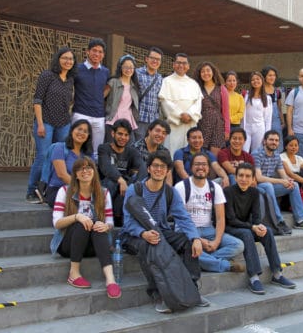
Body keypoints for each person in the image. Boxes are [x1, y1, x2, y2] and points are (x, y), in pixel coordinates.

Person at [120, 150, 210, 313]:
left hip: (160, 230)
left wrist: (195, 238)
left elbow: (183, 217)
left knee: (187, 241)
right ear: (148, 168)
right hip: (134, 235)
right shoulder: (136, 189)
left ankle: (191, 289)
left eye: (163, 167)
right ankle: (158, 294)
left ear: (168, 170)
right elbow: (127, 222)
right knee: (148, 245)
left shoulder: (170, 192)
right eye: (155, 166)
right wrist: (143, 233)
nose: (158, 169)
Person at [50, 157, 121, 299]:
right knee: (82, 223)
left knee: (98, 226)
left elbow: (110, 222)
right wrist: (77, 217)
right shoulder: (65, 191)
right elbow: (57, 223)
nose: (85, 171)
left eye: (89, 167)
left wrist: (105, 225)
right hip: (68, 245)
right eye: (80, 168)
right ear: (75, 174)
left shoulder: (104, 193)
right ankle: (74, 273)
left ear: (94, 171)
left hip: (92, 246)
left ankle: (110, 279)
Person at [224, 162, 296, 295]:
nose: (244, 179)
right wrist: (253, 227)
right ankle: (254, 277)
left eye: (247, 176)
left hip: (247, 226)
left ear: (253, 179)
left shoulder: (254, 192)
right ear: (236, 176)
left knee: (267, 231)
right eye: (241, 176)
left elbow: (256, 216)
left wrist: (259, 226)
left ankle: (277, 273)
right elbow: (231, 220)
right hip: (230, 227)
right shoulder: (228, 192)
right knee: (247, 234)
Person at [174, 153, 245, 273]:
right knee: (189, 245)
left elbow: (220, 218)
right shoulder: (181, 187)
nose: (200, 167)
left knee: (238, 245)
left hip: (209, 230)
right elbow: (180, 219)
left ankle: (202, 260)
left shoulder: (215, 187)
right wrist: (198, 240)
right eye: (197, 164)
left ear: (209, 168)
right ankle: (224, 265)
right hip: (187, 230)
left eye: (204, 164)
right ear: (191, 167)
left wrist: (216, 241)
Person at [26, 47, 77, 203]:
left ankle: (48, 190)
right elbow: (37, 100)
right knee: (43, 156)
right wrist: (40, 124)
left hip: (63, 124)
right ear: (58, 59)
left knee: (59, 157)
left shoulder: (70, 80)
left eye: (71, 59)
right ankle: (31, 191)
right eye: (64, 58)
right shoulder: (47, 76)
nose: (68, 61)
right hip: (46, 122)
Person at [253, 130, 303, 232]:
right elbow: (259, 178)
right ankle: (279, 221)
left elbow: (283, 174)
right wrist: (281, 181)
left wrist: (288, 181)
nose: (274, 142)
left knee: (294, 185)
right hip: (257, 186)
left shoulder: (276, 155)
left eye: (276, 140)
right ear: (264, 141)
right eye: (271, 140)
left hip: (270, 185)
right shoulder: (257, 154)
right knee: (268, 185)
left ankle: (300, 220)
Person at [98, 119, 144, 227]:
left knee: (134, 182)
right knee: (111, 182)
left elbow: (142, 167)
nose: (123, 137)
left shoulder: (132, 151)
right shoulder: (104, 148)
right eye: (120, 134)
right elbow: (106, 168)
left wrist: (132, 186)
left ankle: (120, 217)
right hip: (107, 188)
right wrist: (121, 180)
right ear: (113, 133)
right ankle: (103, 216)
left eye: (126, 135)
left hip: (123, 191)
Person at [72, 38, 110, 159]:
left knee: (96, 152)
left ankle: (91, 177)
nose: (97, 54)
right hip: (80, 114)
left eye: (100, 52)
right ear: (87, 52)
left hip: (99, 116)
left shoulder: (105, 72)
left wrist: (99, 97)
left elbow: (108, 88)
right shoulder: (77, 69)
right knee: (77, 147)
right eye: (94, 50)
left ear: (103, 55)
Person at [159, 53, 202, 157]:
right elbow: (164, 101)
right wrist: (179, 115)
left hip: (189, 124)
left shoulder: (193, 83)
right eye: (178, 63)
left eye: (184, 63)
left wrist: (190, 115)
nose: (181, 65)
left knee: (190, 154)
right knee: (172, 152)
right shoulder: (166, 81)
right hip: (174, 125)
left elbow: (198, 102)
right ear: (174, 65)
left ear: (188, 66)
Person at [44, 119, 94, 208]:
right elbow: (62, 175)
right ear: (72, 131)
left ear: (88, 136)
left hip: (82, 191)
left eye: (85, 131)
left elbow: (91, 176)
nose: (81, 133)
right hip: (58, 190)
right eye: (79, 129)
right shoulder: (60, 148)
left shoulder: (88, 154)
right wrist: (81, 189)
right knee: (78, 205)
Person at [193, 61, 230, 156]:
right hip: (202, 123)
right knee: (201, 154)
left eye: (208, 70)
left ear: (213, 72)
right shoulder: (197, 88)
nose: (206, 73)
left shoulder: (222, 88)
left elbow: (226, 112)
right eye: (203, 71)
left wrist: (227, 130)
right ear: (199, 74)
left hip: (218, 125)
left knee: (214, 156)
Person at [104, 54, 139, 143]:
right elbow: (101, 97)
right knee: (112, 148)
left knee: (129, 149)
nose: (128, 70)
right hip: (113, 120)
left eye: (131, 67)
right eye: (125, 67)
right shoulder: (113, 82)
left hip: (128, 121)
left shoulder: (134, 86)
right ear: (120, 68)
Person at [134, 47, 164, 141]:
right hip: (139, 119)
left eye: (158, 59)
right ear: (147, 59)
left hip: (153, 121)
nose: (155, 61)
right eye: (152, 58)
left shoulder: (160, 78)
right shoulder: (136, 73)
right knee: (138, 147)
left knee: (151, 148)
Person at [132, 118, 173, 185]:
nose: (160, 135)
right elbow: (134, 172)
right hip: (138, 185)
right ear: (149, 131)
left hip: (159, 185)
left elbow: (168, 174)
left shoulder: (165, 151)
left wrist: (168, 192)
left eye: (164, 133)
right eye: (157, 131)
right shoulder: (136, 148)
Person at [242, 71, 272, 153]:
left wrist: (267, 135)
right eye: (253, 80)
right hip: (246, 127)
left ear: (262, 80)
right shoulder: (246, 95)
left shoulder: (267, 98)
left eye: (257, 79)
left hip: (259, 128)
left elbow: (268, 119)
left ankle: (256, 166)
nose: (255, 81)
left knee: (256, 152)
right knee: (244, 151)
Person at [262, 65, 286, 152]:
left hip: (276, 121)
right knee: (263, 143)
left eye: (274, 75)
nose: (272, 77)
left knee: (277, 144)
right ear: (264, 76)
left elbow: (279, 107)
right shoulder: (259, 90)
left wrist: (282, 121)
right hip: (262, 121)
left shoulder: (277, 91)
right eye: (270, 75)